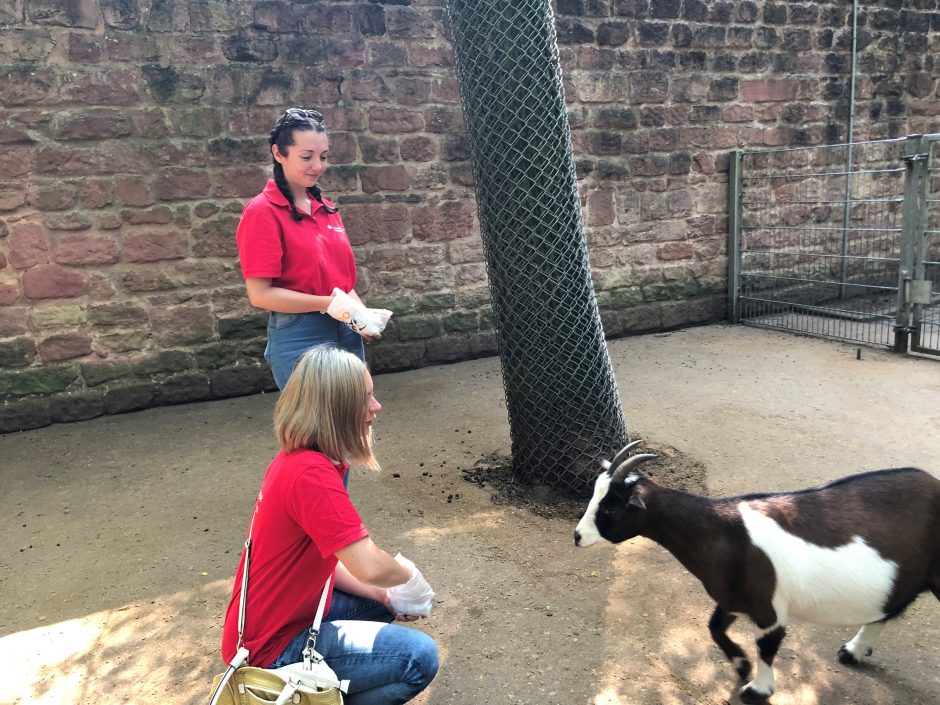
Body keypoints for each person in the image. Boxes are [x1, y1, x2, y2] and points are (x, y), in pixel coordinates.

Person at [221, 345, 439, 705]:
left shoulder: (301, 459)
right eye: (365, 398)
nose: (376, 407)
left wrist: (384, 595)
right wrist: (407, 579)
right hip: (268, 650)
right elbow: (369, 565)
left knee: (385, 602)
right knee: (419, 658)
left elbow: (330, 563)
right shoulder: (311, 474)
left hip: (271, 625)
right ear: (337, 410)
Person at [236, 108, 377, 390]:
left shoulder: (326, 207)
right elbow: (260, 294)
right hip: (299, 333)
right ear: (278, 154)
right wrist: (328, 304)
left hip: (346, 326)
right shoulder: (262, 211)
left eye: (323, 156)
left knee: (356, 421)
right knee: (312, 431)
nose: (317, 165)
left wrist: (364, 318)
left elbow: (341, 283)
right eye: (306, 156)